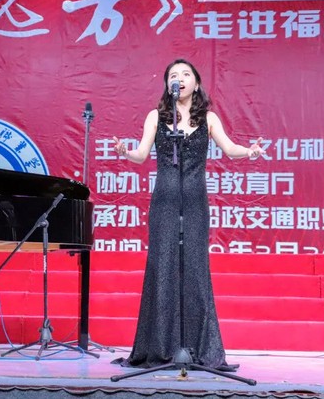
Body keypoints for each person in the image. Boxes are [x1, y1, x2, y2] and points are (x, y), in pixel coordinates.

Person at [112, 59, 263, 371]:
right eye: (173, 75)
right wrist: (126, 152)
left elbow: (230, 148)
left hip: (195, 202)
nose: (178, 79)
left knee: (195, 270)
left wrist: (249, 151)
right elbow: (141, 154)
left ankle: (199, 349)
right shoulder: (156, 116)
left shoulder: (208, 118)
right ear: (167, 84)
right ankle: (159, 348)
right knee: (163, 268)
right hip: (164, 202)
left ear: (196, 83)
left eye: (185, 74)